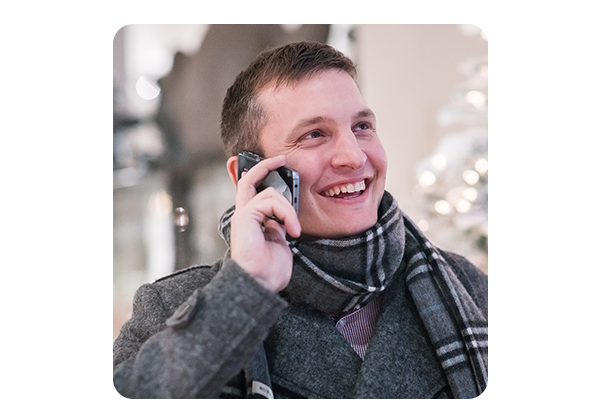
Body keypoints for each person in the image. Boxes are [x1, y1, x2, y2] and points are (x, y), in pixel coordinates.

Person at [113, 41, 488, 399]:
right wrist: (246, 290)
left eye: (361, 127)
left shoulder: (464, 288)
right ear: (249, 174)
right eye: (314, 135)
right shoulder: (173, 307)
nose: (354, 157)